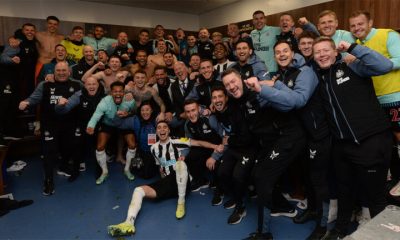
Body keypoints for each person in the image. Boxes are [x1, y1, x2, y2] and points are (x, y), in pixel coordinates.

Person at [312, 37, 393, 239]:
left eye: (325, 50)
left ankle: (381, 235)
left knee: (376, 199)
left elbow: (386, 65)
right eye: (317, 52)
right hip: (342, 146)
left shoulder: (351, 64)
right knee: (344, 192)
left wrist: (353, 48)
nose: (321, 55)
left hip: (370, 142)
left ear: (335, 51)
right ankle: (340, 230)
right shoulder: (320, 77)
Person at [222, 67, 309, 239]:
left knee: (262, 177)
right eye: (227, 85)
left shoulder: (258, 90)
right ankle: (283, 207)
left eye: (233, 81)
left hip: (288, 137)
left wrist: (269, 86)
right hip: (270, 142)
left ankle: (264, 233)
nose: (231, 87)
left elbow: (290, 102)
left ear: (242, 79)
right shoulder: (236, 102)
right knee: (256, 174)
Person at [107, 121, 221, 237]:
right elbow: (161, 166)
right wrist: (162, 175)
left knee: (181, 164)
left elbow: (198, 143)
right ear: (156, 132)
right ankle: (128, 223)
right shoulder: (154, 148)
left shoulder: (177, 141)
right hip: (168, 184)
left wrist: (216, 146)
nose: (162, 130)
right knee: (138, 190)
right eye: (159, 128)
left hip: (183, 182)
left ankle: (181, 203)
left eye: (165, 127)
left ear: (169, 130)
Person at [348, 10, 400, 199]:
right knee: (387, 143)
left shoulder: (387, 34)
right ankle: (394, 176)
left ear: (370, 22)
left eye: (360, 24)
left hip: (395, 96)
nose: (357, 28)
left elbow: (399, 59)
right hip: (375, 100)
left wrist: (372, 62)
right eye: (353, 26)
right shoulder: (358, 45)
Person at [18, 62, 81, 195]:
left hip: (70, 124)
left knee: (68, 147)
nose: (62, 73)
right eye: (59, 70)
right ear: (54, 72)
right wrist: (26, 102)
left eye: (64, 70)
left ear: (69, 72)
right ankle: (48, 180)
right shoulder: (44, 85)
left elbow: (91, 89)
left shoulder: (76, 84)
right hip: (50, 124)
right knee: (49, 152)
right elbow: (34, 98)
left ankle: (63, 167)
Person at [211, 86, 256, 224]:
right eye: (214, 97)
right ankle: (237, 197)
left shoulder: (236, 112)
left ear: (226, 98)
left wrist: (229, 140)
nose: (217, 100)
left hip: (247, 148)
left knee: (237, 176)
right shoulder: (218, 112)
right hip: (234, 147)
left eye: (220, 97)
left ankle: (240, 208)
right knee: (222, 172)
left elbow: (247, 137)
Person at [86, 81, 136, 184]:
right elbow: (96, 116)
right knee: (100, 146)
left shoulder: (128, 100)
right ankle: (104, 172)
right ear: (111, 93)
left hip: (123, 123)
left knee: (132, 145)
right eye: (115, 91)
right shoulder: (104, 101)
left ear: (124, 92)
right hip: (108, 124)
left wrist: (128, 113)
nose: (118, 94)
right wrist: (91, 126)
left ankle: (127, 170)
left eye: (120, 91)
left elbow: (135, 111)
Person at [55, 76, 106, 179]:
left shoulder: (104, 97)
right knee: (77, 146)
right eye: (89, 84)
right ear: (85, 86)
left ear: (98, 85)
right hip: (81, 126)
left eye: (94, 84)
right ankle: (75, 170)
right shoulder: (78, 95)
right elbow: (63, 110)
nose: (91, 86)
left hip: (98, 126)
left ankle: (100, 170)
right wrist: (60, 105)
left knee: (99, 147)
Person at [183, 99, 223, 192]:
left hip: (217, 147)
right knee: (189, 158)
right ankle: (202, 181)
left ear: (198, 109)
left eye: (193, 110)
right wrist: (183, 155)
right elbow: (189, 142)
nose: (191, 114)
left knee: (218, 169)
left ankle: (219, 185)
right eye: (188, 112)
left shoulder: (210, 119)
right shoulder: (187, 124)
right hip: (203, 147)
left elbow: (224, 138)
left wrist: (214, 156)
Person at [250, 10, 281, 74]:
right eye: (256, 19)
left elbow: (288, 30)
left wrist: (296, 30)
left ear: (265, 19)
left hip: (271, 70)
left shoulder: (274, 30)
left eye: (261, 18)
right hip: (257, 70)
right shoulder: (252, 33)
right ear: (253, 21)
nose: (259, 21)